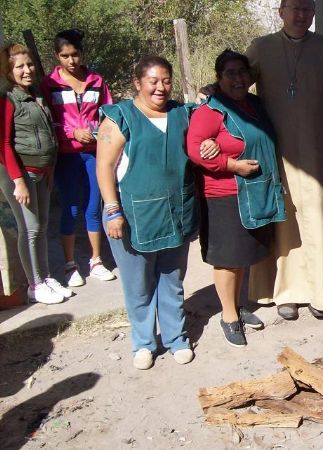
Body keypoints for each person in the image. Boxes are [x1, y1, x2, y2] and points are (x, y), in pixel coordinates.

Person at [96, 56, 219, 369]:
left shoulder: (182, 114)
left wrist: (210, 143)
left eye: (166, 81)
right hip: (133, 216)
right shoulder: (120, 118)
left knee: (172, 281)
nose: (160, 88)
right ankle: (144, 343)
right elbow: (104, 166)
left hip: (176, 211)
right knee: (138, 285)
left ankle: (177, 338)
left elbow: (209, 128)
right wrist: (112, 210)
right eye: (153, 81)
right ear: (137, 83)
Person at [245, 0, 323, 320]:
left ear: (313, 14)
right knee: (285, 218)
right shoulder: (261, 47)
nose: (300, 15)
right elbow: (237, 82)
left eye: (307, 9)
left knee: (317, 214)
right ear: (280, 12)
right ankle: (287, 293)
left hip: (317, 149)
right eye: (294, 8)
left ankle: (322, 292)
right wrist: (211, 92)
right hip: (276, 149)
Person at [187, 49, 286, 347]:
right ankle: (228, 316)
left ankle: (237, 306)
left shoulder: (254, 105)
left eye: (242, 72)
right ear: (219, 78)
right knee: (227, 260)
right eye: (230, 73)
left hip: (252, 192)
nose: (238, 78)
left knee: (240, 257)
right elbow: (195, 150)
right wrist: (230, 165)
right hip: (223, 196)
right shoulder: (210, 111)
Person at [40, 29, 115, 288]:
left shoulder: (96, 80)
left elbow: (108, 114)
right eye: (65, 56)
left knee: (94, 207)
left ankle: (96, 261)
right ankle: (70, 264)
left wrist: (101, 135)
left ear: (81, 53)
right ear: (56, 56)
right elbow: (45, 122)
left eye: (75, 54)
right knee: (70, 208)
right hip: (66, 156)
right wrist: (72, 132)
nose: (71, 61)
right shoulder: (49, 84)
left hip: (94, 154)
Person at [0, 44, 72, 304]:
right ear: (8, 71)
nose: (27, 70)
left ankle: (45, 276)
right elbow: (4, 144)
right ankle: (35, 284)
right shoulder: (8, 99)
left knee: (40, 228)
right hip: (21, 175)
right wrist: (18, 181)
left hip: (42, 173)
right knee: (29, 229)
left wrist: (50, 170)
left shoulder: (35, 95)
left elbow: (48, 134)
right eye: (19, 66)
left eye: (29, 64)